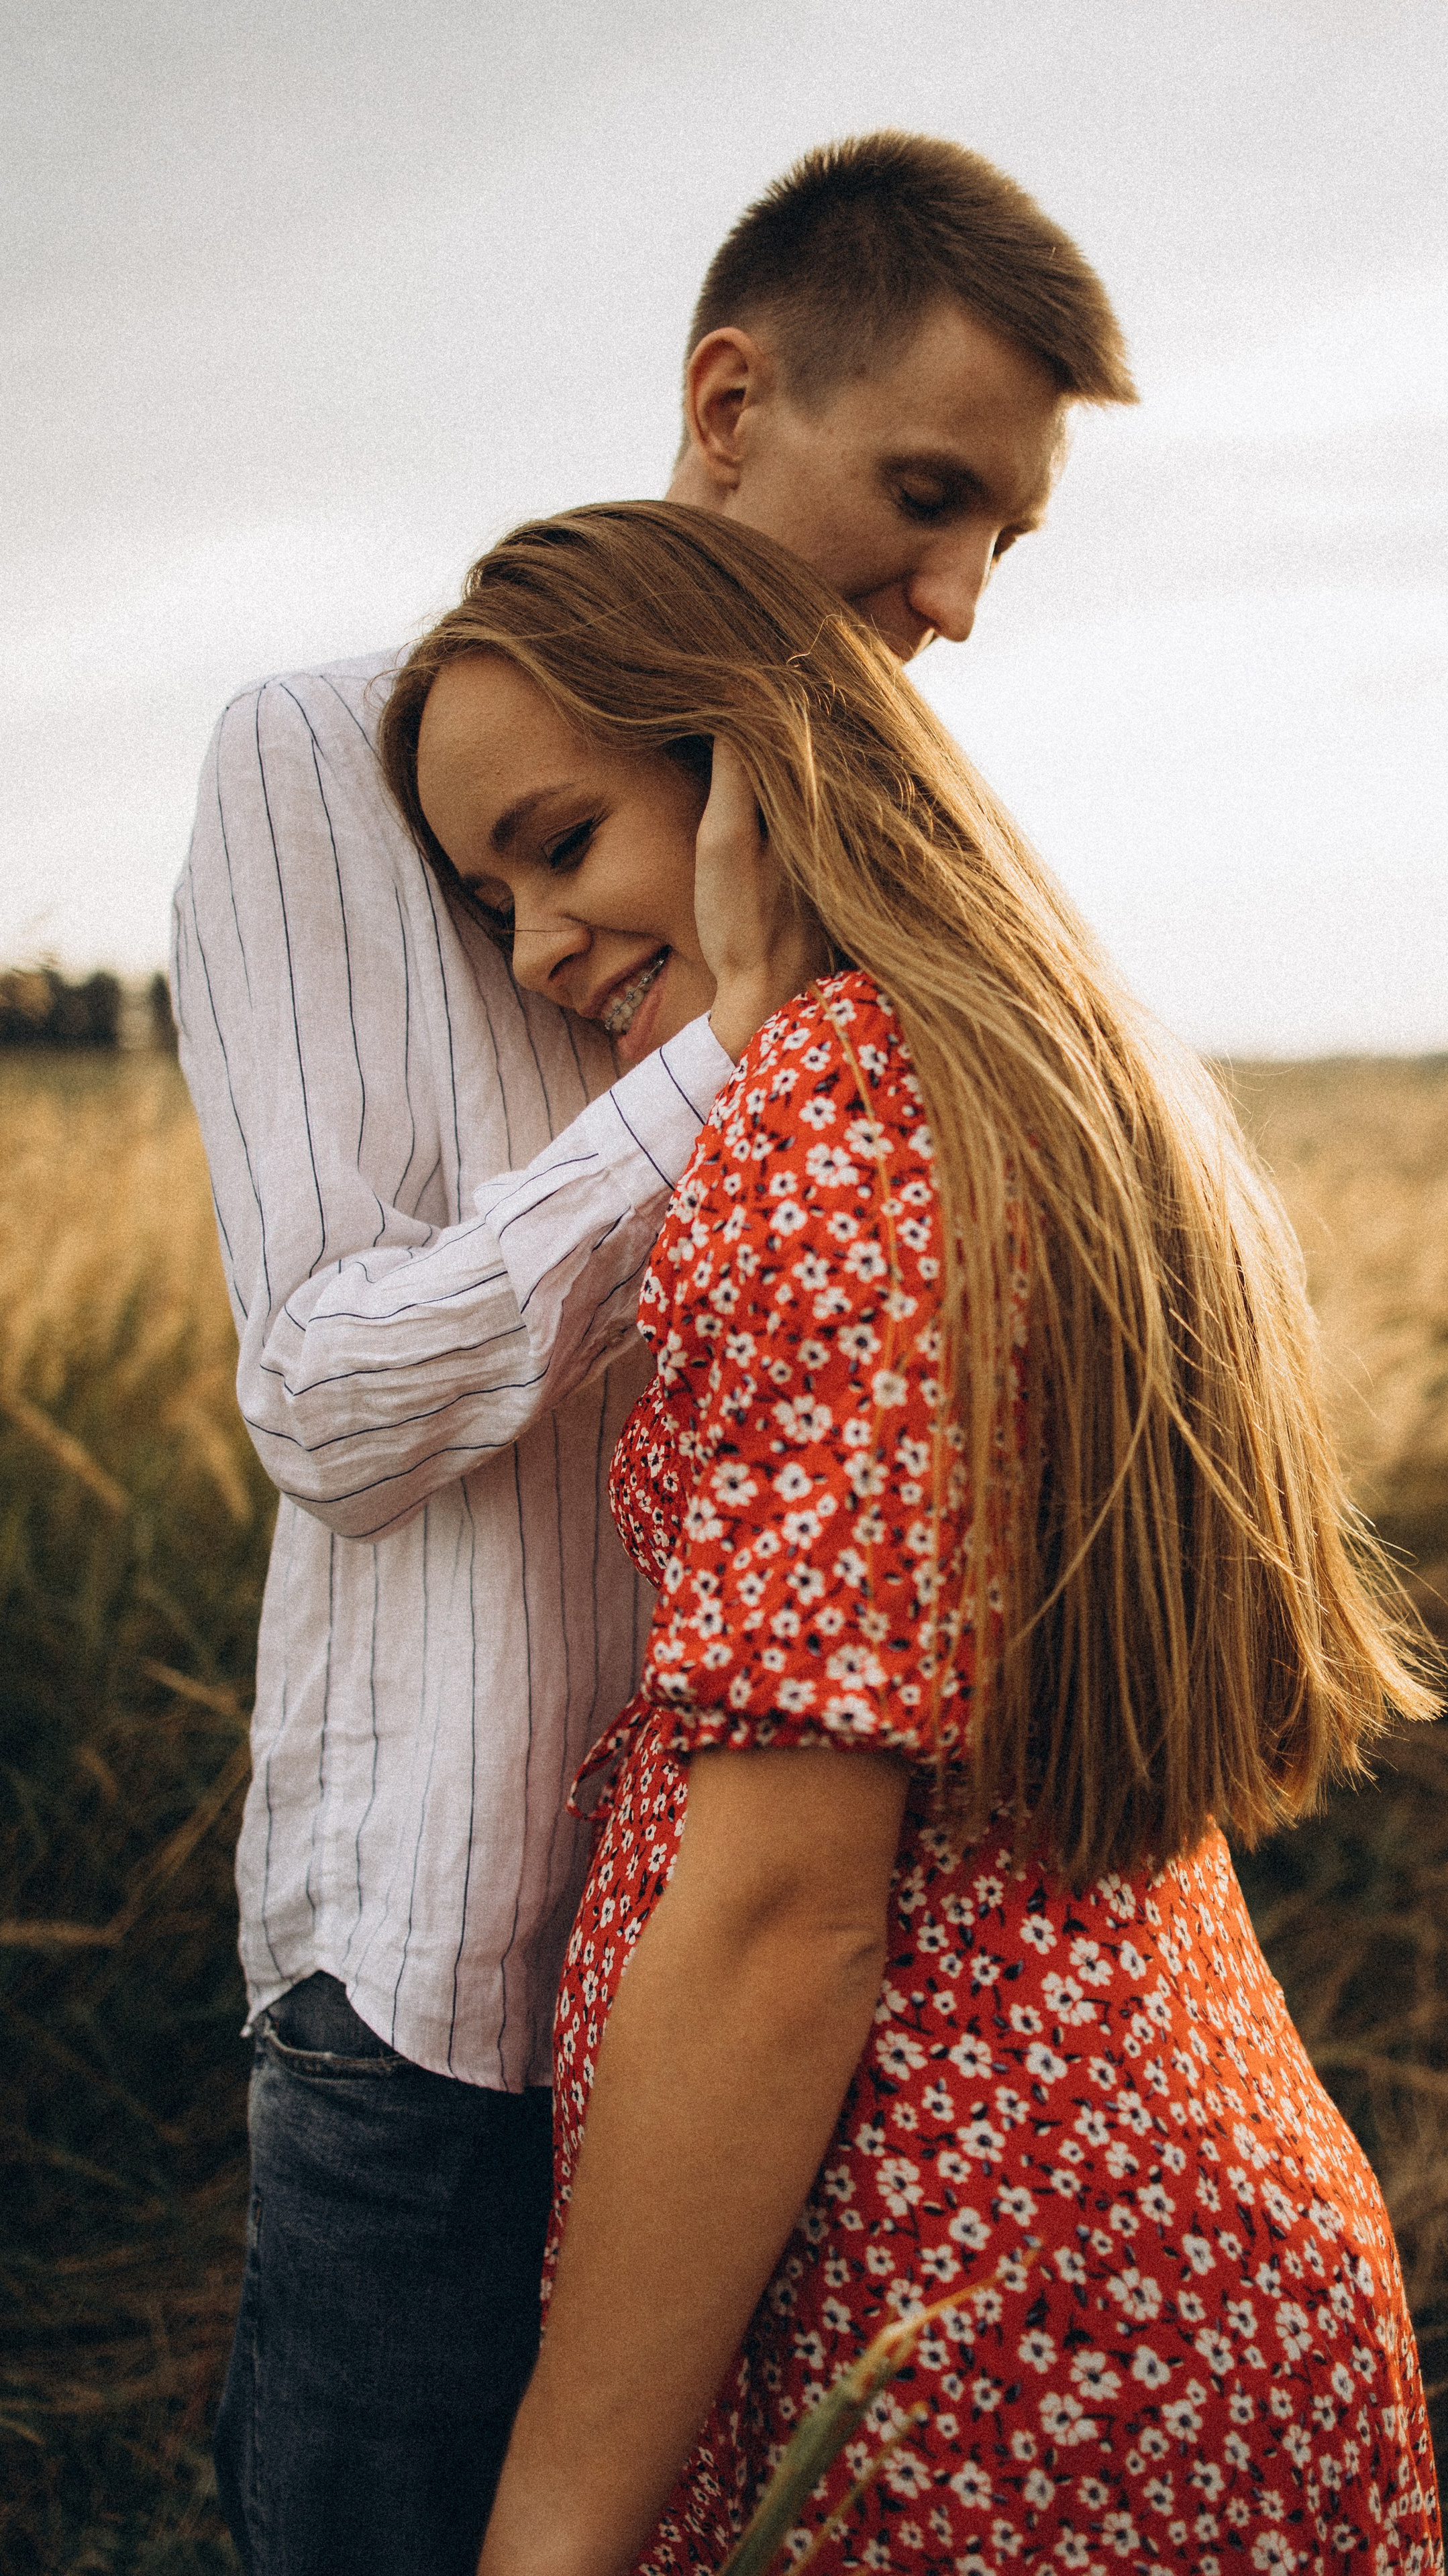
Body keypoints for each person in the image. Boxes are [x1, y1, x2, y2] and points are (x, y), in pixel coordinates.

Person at [171, 136, 1135, 2576]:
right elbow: (323, 1402)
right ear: (731, 401)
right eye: (928, 497)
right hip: (461, 1992)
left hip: (795, 2027)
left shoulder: (915, 885)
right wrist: (738, 1059)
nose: (957, 600)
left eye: (1004, 540)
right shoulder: (322, 755)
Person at [378, 502, 1447, 2576]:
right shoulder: (998, 1065)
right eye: (479, 893)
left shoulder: (829, 1127)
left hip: (981, 2359)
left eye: (560, 839)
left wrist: (550, 2527)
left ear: (745, 770)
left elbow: (786, 1921)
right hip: (1133, 2282)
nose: (527, 949)